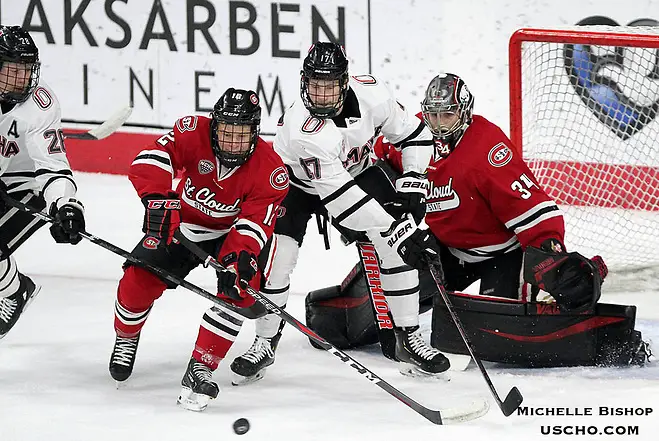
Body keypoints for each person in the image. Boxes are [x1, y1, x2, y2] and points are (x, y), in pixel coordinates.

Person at [305, 72, 651, 367]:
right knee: (373, 308)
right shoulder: (411, 137)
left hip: (501, 255)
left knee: (498, 340)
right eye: (433, 115)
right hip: (446, 249)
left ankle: (596, 321)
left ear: (465, 113)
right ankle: (341, 313)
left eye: (448, 115)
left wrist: (550, 251)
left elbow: (535, 209)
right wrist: (345, 200)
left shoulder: (488, 149)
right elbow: (372, 166)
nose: (438, 125)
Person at [229, 41, 448, 384]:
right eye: (315, 85)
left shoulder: (374, 95)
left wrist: (414, 181)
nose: (322, 94)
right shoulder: (304, 130)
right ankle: (265, 340)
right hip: (294, 185)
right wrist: (400, 232)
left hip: (357, 169)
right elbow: (344, 202)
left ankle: (409, 338)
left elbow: (416, 135)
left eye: (330, 85)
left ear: (346, 82)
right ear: (304, 82)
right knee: (279, 259)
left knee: (396, 246)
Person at [108, 88, 289, 412]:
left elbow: (254, 223)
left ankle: (201, 365)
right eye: (226, 132)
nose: (233, 141)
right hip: (183, 226)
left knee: (241, 292)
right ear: (214, 126)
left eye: (242, 134)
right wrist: (158, 198)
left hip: (231, 235)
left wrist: (240, 257)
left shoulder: (270, 170)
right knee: (137, 280)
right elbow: (152, 157)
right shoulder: (192, 131)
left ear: (256, 132)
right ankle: (126, 336)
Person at [0, 25, 85, 340]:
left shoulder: (40, 104)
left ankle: (15, 290)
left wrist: (65, 204)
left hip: (26, 184)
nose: (22, 79)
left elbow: (51, 166)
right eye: (12, 70)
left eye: (27, 70)